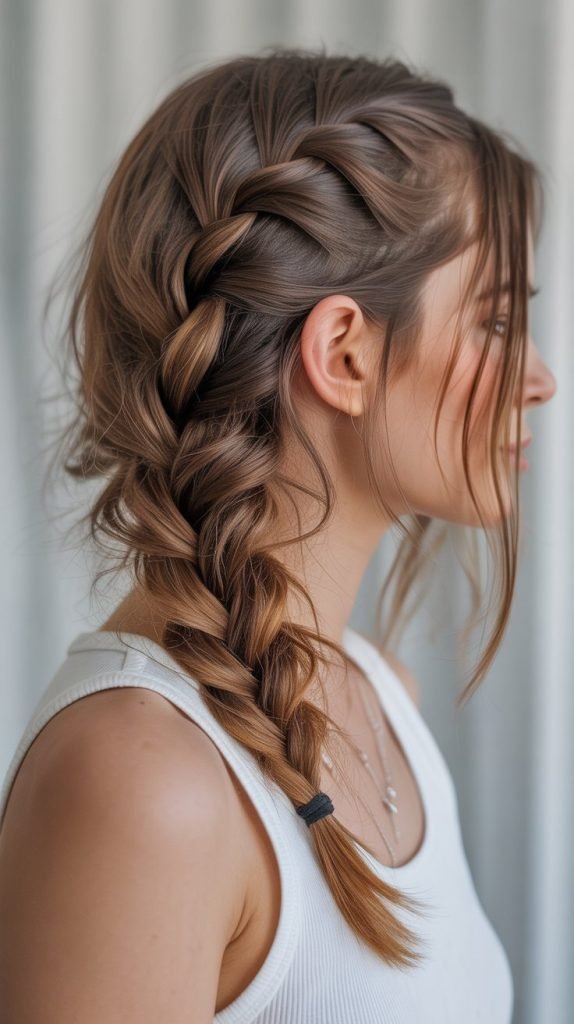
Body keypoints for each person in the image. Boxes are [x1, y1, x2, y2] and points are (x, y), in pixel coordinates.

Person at [0, 46, 556, 1023]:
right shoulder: (141, 784)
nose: (540, 377)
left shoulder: (381, 699)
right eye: (498, 323)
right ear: (342, 354)